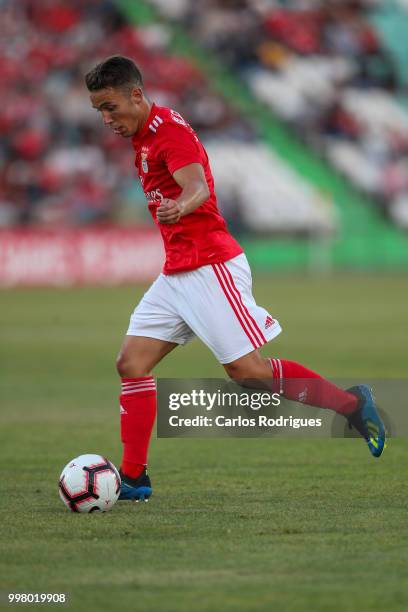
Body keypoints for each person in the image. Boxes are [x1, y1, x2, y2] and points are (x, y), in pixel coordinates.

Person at [85, 56, 385, 502]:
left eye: (110, 107)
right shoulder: (143, 135)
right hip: (177, 272)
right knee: (131, 364)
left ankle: (353, 405)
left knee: (248, 373)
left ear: (135, 94)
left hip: (210, 265)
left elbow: (198, 185)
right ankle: (133, 479)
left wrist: (181, 206)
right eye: (99, 111)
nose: (107, 119)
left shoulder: (169, 132)